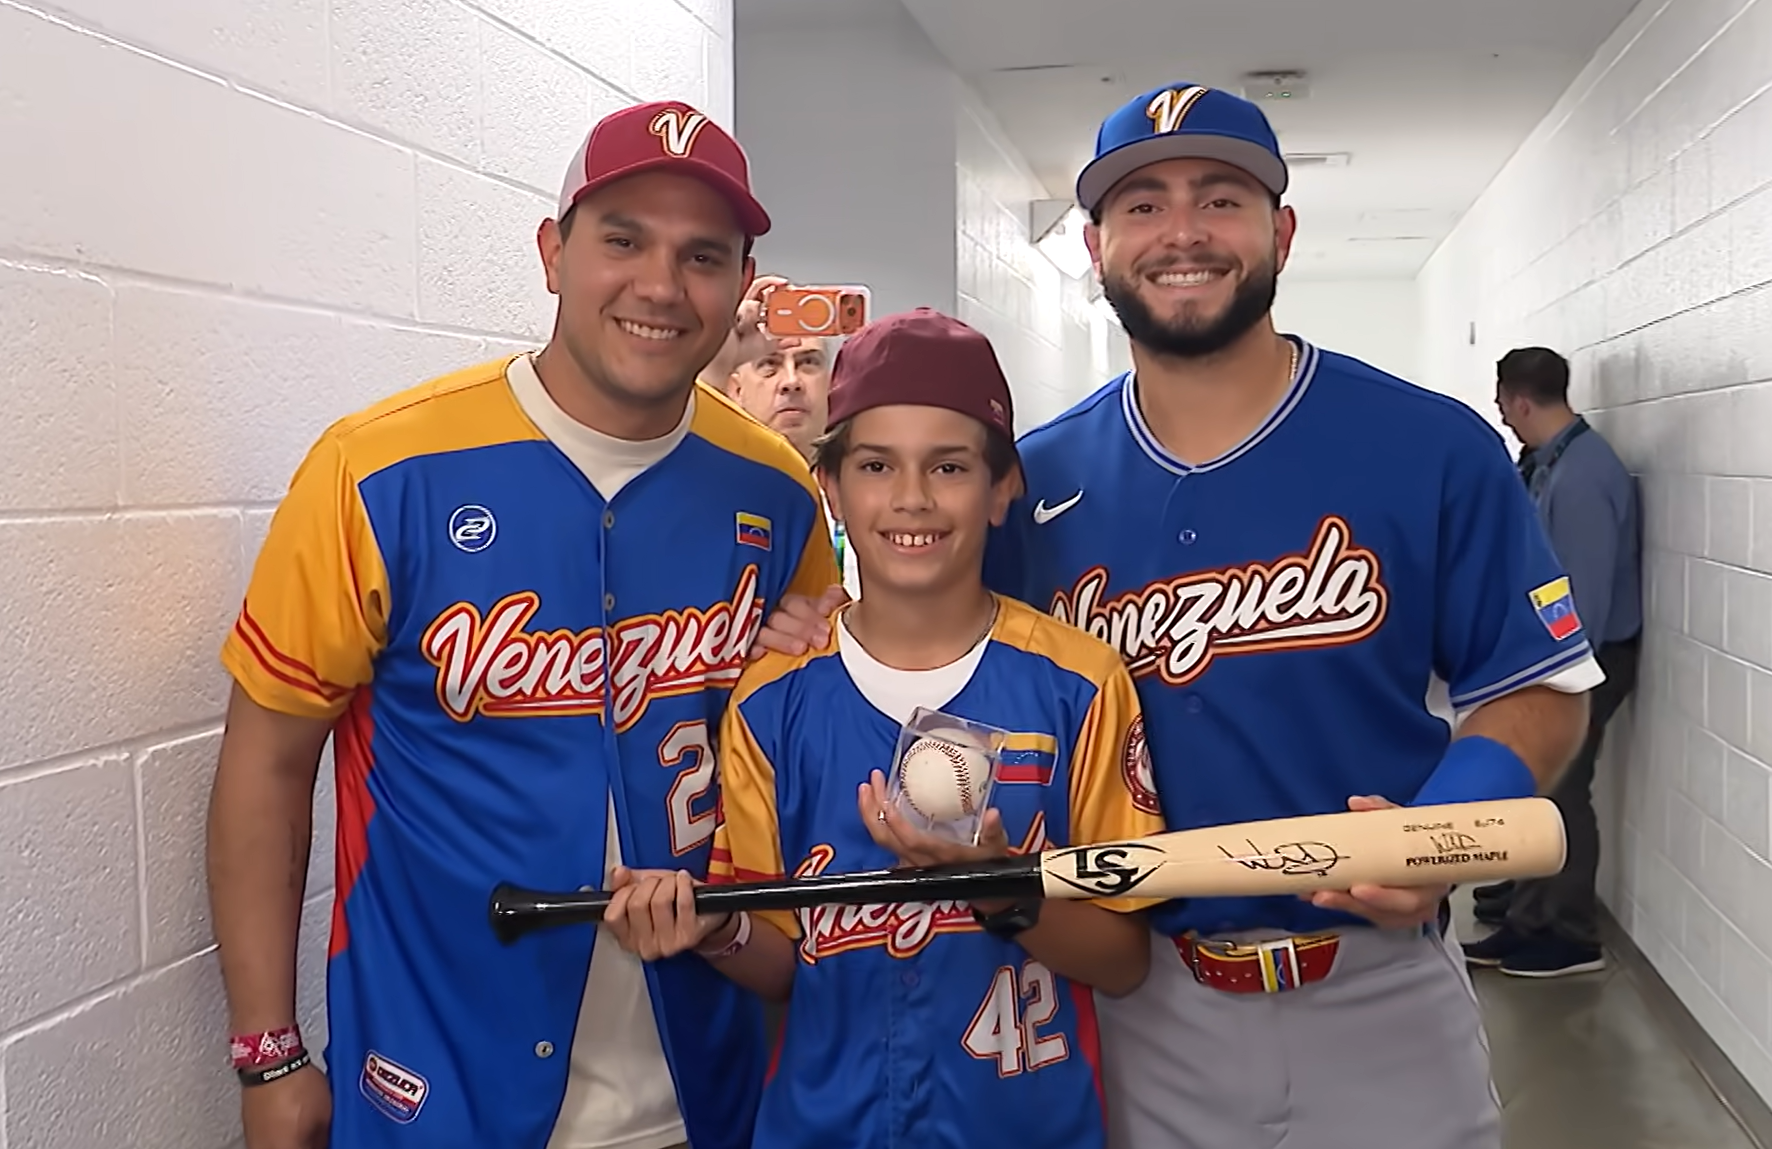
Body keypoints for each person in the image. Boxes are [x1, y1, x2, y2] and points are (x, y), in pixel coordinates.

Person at [753, 84, 1600, 1149]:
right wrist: (819, 626)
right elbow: (933, 644)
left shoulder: (1428, 445)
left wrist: (1431, 836)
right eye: (1141, 205)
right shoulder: (1029, 480)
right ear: (1099, 245)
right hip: (1137, 993)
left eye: (1220, 198)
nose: (1182, 232)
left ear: (1279, 232)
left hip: (1376, 988)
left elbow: (1537, 689)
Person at [204, 98, 838, 1149]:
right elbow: (267, 761)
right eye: (621, 240)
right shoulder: (377, 470)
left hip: (711, 1083)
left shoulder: (774, 492)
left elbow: (804, 756)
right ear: (554, 252)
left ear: (737, 290)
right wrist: (267, 1054)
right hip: (437, 1082)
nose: (658, 286)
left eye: (700, 256)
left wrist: (821, 674)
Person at [598, 308, 1166, 1149]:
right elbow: (781, 960)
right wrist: (716, 927)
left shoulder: (1079, 683)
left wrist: (1000, 887)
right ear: (830, 484)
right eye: (875, 464)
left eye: (950, 465)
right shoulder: (773, 698)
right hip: (822, 1127)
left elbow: (1123, 960)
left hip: (1028, 1126)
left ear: (1004, 485)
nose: (911, 498)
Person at [1463, 346, 1642, 977]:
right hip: (1556, 660)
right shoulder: (1550, 465)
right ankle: (1527, 915)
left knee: (1562, 792)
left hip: (1585, 662)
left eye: (1503, 404)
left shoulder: (1584, 476)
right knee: (1535, 788)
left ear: (1518, 400)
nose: (1504, 416)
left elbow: (1583, 604)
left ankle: (1567, 935)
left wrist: (1550, 682)